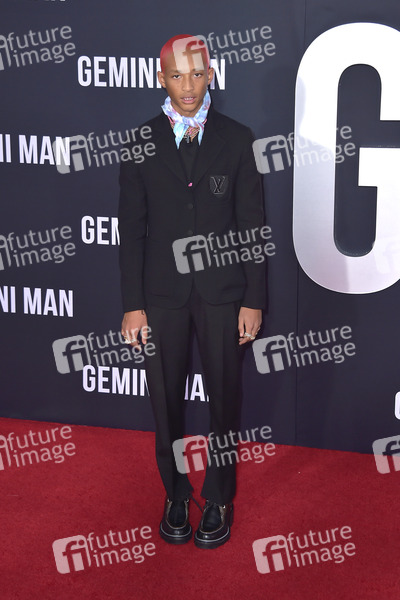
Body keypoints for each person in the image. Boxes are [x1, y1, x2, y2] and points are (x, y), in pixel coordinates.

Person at [118, 34, 266, 549]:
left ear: (210, 76)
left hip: (223, 293)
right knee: (165, 403)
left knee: (225, 400)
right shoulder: (139, 141)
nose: (188, 86)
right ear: (161, 77)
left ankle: (219, 497)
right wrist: (133, 306)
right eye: (177, 75)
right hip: (161, 296)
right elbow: (132, 231)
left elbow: (252, 227)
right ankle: (175, 492)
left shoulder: (239, 139)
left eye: (197, 74)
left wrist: (254, 299)